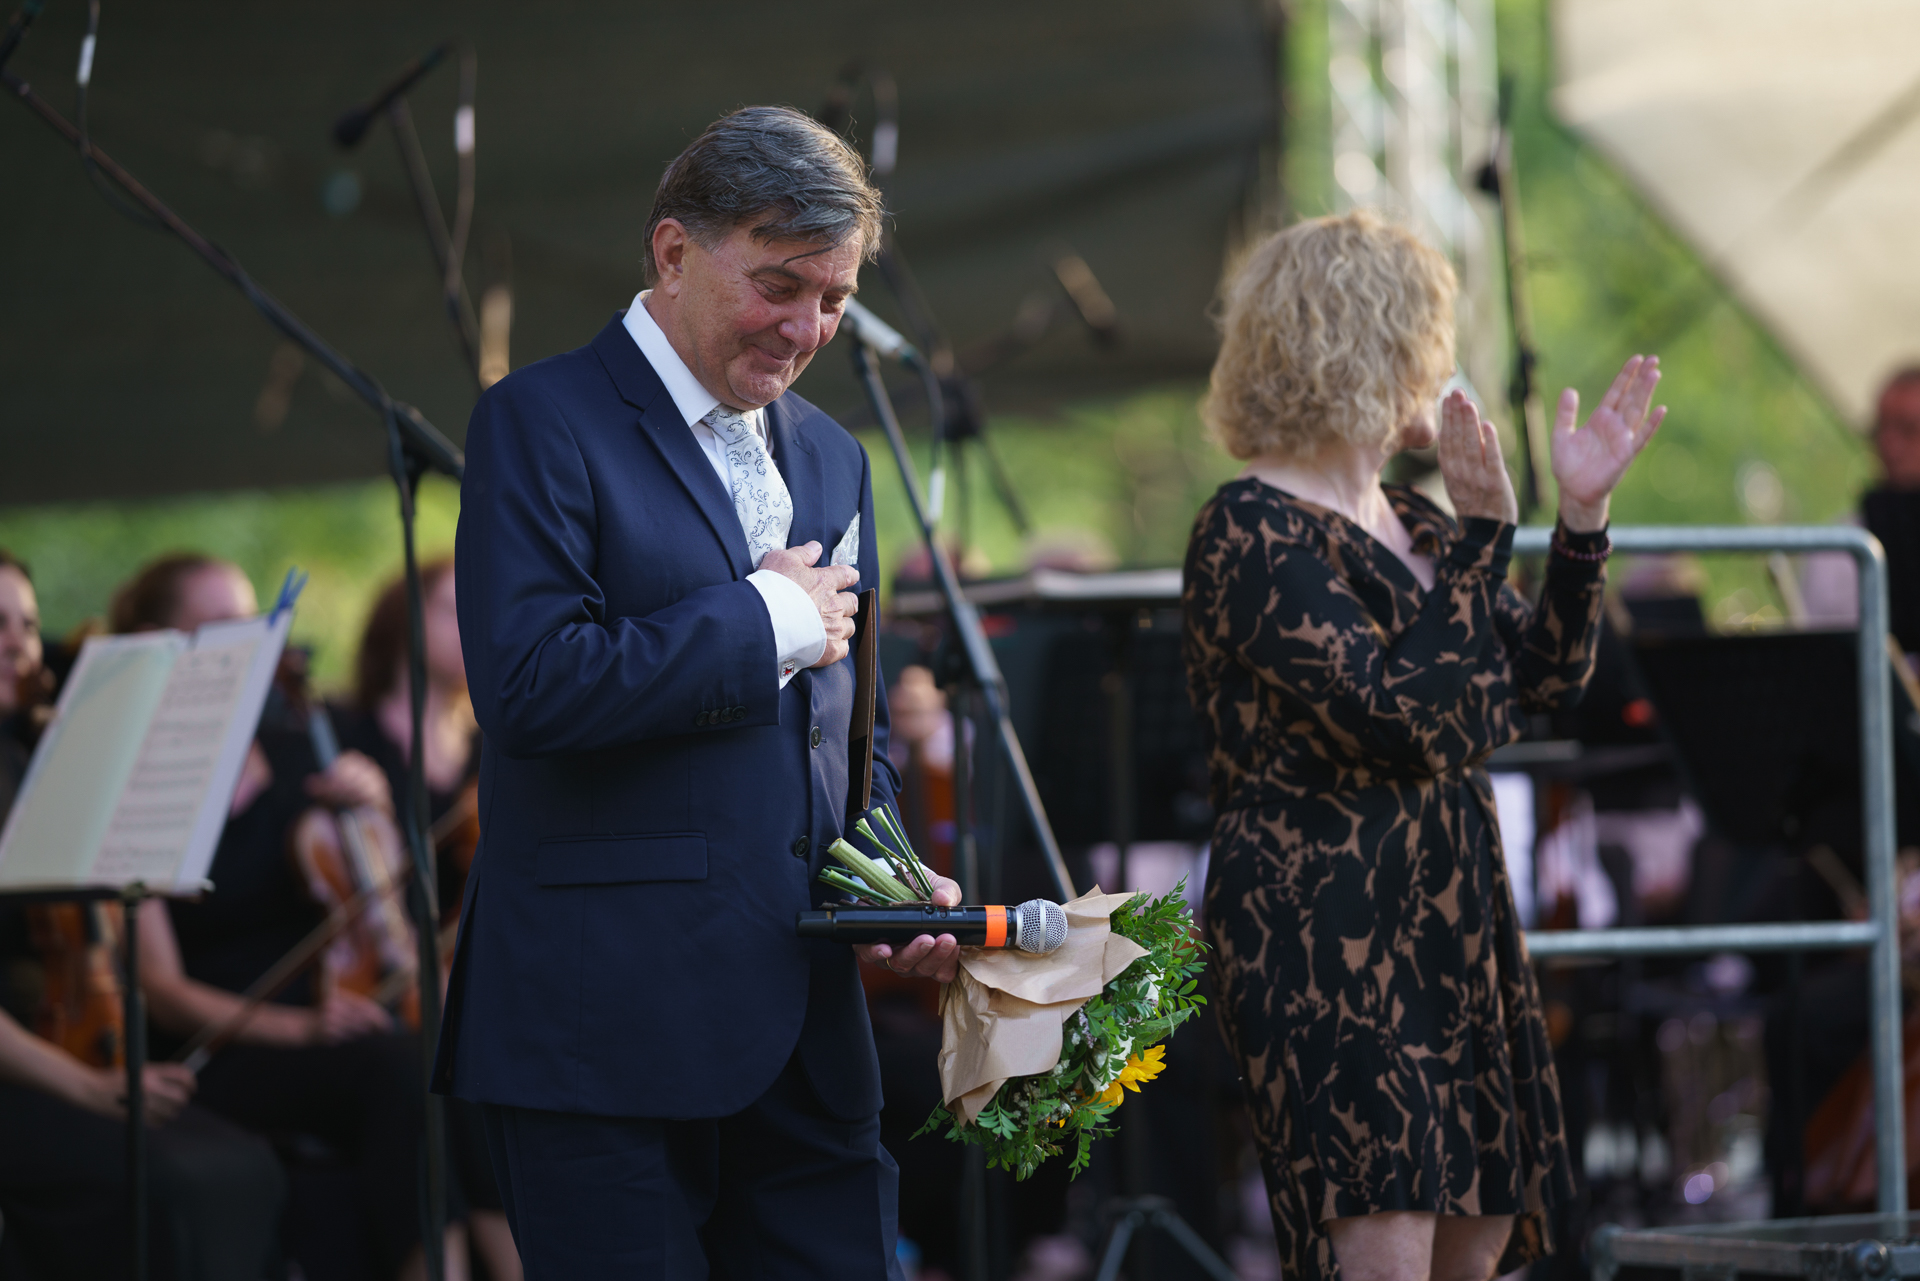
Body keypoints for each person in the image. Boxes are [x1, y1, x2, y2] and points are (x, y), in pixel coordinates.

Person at [437, 105, 960, 1278]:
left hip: (808, 1036)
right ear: (674, 252)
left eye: (834, 299)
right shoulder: (539, 420)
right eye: (780, 285)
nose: (807, 328)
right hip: (606, 1031)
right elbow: (528, 687)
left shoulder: (833, 455)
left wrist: (889, 888)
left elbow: (846, 738)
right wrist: (766, 619)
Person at [1181, 210, 1664, 1281]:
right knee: (1383, 1245)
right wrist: (1483, 546)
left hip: (1453, 920)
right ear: (1368, 344)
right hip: (1330, 933)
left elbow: (1542, 682)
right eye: (1430, 339)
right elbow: (1393, 714)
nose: (1445, 370)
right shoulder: (1248, 528)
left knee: (1475, 1243)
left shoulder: (1417, 520)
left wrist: (1581, 522)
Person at [115, 554, 464, 1281]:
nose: (249, 644)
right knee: (402, 1073)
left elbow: (376, 901)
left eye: (255, 624)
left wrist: (372, 806)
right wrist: (300, 1028)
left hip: (332, 1018)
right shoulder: (137, 779)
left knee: (457, 1064)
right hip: (225, 1044)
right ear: (157, 640)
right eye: (221, 625)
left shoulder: (296, 747)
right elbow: (161, 988)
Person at [0, 549, 286, 1281]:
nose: (17, 643)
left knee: (244, 1164)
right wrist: (88, 1088)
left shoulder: (34, 755)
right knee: (170, 1185)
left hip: (63, 1050)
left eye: (27, 624)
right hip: (25, 1070)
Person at [331, 561, 521, 1281]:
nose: (474, 618)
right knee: (449, 1063)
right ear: (402, 619)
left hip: (469, 979)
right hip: (384, 981)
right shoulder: (346, 740)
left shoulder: (492, 748)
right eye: (450, 606)